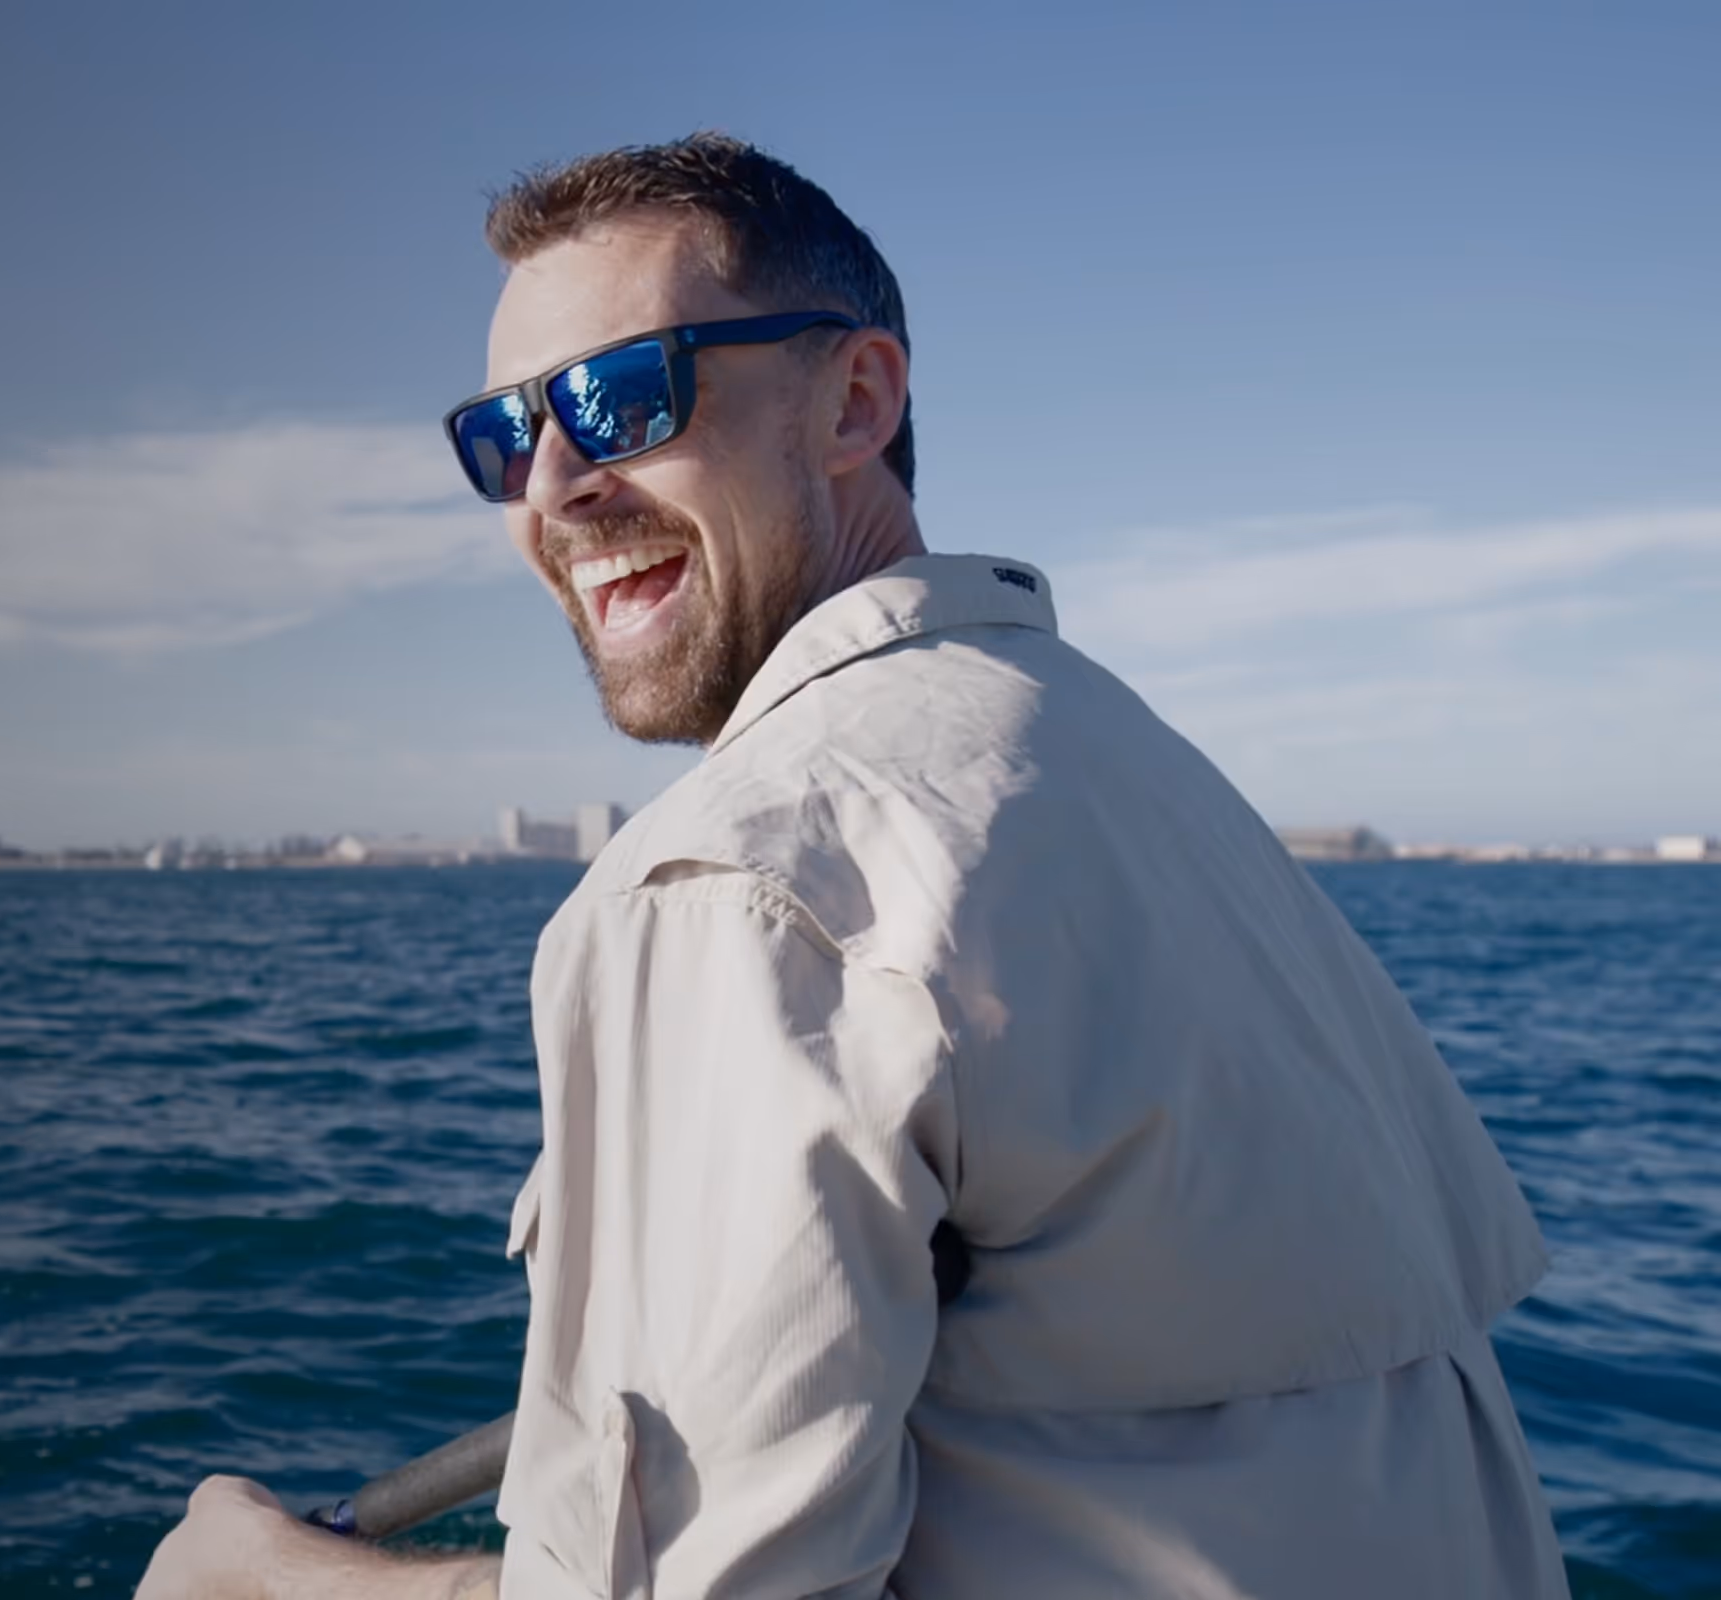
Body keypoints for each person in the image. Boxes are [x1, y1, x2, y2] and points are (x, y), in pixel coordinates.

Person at [136, 132, 1566, 1599]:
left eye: (619, 399)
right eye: (505, 437)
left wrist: (271, 1579)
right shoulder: (1123, 762)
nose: (553, 487)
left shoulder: (749, 878)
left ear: (857, 400)